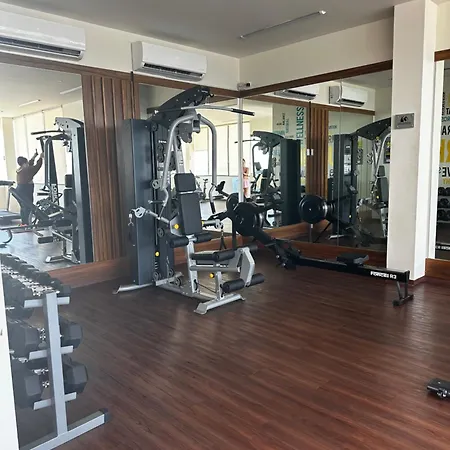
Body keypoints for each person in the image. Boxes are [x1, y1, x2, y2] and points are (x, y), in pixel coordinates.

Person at [16, 150, 44, 225]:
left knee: (23, 207)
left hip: (20, 189)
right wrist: (41, 158)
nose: (28, 163)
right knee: (28, 207)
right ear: (24, 163)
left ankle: (24, 223)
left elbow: (30, 164)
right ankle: (27, 224)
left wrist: (34, 156)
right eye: (27, 163)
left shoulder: (21, 169)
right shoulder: (27, 170)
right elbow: (36, 167)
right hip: (25, 190)